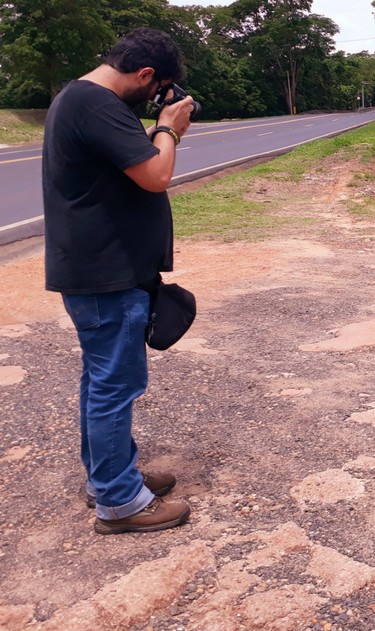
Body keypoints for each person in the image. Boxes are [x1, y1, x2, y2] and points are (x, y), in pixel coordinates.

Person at [42, 27, 195, 534]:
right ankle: (119, 502)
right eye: (156, 89)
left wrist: (161, 128)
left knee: (102, 381)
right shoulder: (95, 103)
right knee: (114, 385)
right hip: (105, 276)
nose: (155, 99)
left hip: (99, 271)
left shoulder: (81, 99)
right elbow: (156, 175)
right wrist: (168, 128)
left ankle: (110, 476)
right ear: (145, 73)